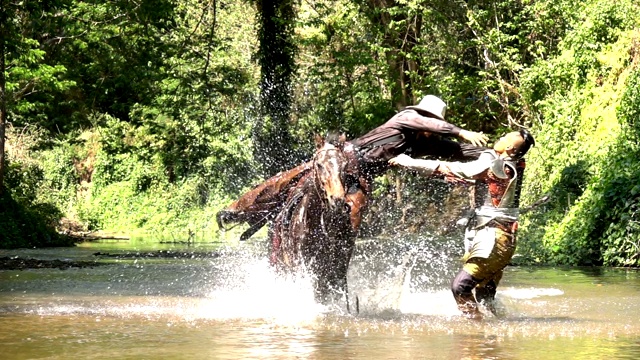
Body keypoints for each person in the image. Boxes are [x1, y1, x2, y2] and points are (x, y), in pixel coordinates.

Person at [216, 95, 489, 241]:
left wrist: (493, 152)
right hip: (343, 159)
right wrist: (461, 131)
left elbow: (459, 151)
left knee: (354, 214)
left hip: (360, 179)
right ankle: (238, 209)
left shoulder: (423, 145)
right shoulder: (406, 118)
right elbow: (437, 128)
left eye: (432, 123)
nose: (429, 127)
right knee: (287, 179)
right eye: (428, 121)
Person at [389, 129, 535, 319]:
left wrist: (408, 161)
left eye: (503, 138)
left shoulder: (494, 162)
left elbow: (452, 168)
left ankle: (475, 331)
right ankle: (493, 337)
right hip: (502, 239)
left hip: (494, 239)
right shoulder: (514, 164)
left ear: (509, 147)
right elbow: (475, 178)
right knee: (484, 296)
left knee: (460, 287)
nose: (498, 139)